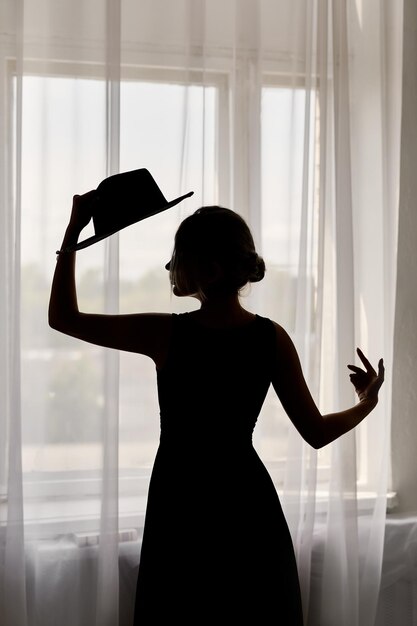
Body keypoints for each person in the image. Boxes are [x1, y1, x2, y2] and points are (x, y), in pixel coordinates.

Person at [49, 192, 384, 625]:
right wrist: (366, 403)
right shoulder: (271, 338)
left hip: (181, 503)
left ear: (209, 269)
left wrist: (74, 231)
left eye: (177, 257)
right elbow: (316, 432)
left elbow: (63, 317)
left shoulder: (166, 333)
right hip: (248, 506)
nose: (169, 267)